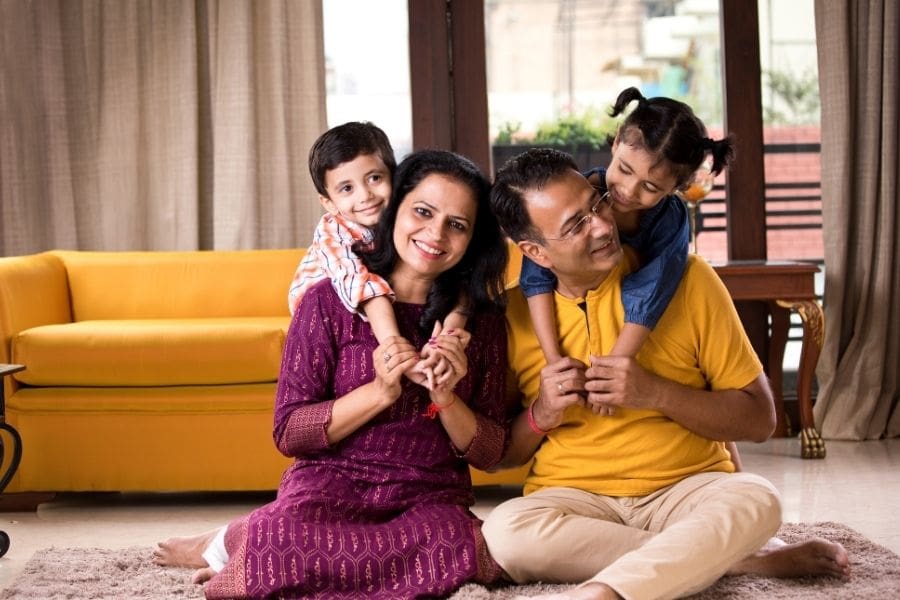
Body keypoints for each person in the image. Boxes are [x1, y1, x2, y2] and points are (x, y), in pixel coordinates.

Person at [484, 148, 850, 600]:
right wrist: (542, 411)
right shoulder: (514, 314)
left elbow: (760, 420)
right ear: (535, 252)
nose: (602, 225)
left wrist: (654, 393)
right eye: (576, 226)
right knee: (504, 532)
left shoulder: (691, 279)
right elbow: (500, 455)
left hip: (688, 489)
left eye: (596, 204)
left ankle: (605, 593)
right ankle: (739, 560)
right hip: (574, 498)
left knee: (759, 498)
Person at [154, 149, 511, 599]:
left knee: (462, 549)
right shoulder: (326, 301)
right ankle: (246, 539)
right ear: (395, 207)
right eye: (422, 211)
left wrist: (446, 399)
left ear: (472, 239)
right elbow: (290, 433)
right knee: (279, 540)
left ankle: (242, 542)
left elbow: (490, 452)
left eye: (456, 224)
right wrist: (381, 391)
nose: (435, 234)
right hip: (328, 489)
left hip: (425, 498)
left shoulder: (483, 321)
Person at [521, 87, 745, 460]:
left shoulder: (668, 221)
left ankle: (726, 463)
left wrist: (614, 370)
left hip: (640, 341)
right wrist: (554, 360)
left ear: (677, 189)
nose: (626, 190)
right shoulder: (579, 194)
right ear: (617, 144)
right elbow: (536, 277)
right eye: (624, 169)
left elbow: (652, 290)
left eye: (651, 187)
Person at [287, 121, 465, 389]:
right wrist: (399, 355)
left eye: (374, 178)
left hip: (376, 294)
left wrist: (448, 333)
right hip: (329, 310)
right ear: (328, 203)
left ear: (393, 175)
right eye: (347, 188)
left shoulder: (399, 216)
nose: (366, 195)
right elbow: (363, 287)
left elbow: (460, 276)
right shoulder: (332, 230)